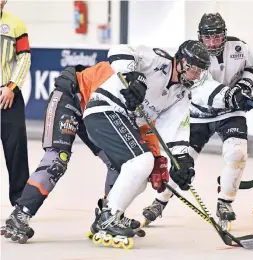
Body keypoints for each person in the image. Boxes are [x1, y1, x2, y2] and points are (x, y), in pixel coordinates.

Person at [82, 40, 212, 248]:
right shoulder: (158, 60)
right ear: (181, 62)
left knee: (143, 172)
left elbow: (176, 129)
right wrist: (134, 76)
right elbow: (119, 50)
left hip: (124, 119)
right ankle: (109, 217)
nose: (197, 76)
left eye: (201, 72)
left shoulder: (181, 95)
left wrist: (183, 161)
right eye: (194, 69)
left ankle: (109, 214)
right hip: (105, 109)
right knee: (141, 161)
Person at [142, 12, 253, 231]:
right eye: (208, 38)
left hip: (229, 113)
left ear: (224, 35)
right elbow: (199, 89)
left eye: (217, 37)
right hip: (197, 113)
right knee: (182, 161)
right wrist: (230, 95)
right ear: (200, 37)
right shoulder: (193, 57)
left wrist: (243, 87)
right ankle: (160, 201)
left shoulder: (239, 48)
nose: (213, 43)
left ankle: (225, 201)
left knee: (237, 153)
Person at [0, 62, 140, 244]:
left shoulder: (154, 97)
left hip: (93, 111)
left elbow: (143, 130)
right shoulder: (121, 72)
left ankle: (110, 215)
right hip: (70, 97)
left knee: (120, 161)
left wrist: (157, 160)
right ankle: (20, 214)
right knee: (57, 159)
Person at [0, 0, 31, 206]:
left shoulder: (16, 24)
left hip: (7, 95)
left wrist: (11, 87)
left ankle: (21, 203)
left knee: (16, 149)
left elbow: (24, 57)